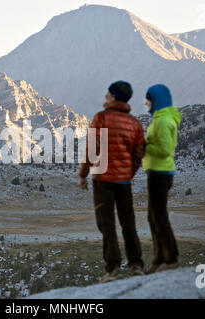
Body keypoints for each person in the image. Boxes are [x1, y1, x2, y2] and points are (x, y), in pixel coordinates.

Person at [78, 81, 145, 282]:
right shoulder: (134, 123)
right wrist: (128, 173)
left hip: (103, 180)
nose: (106, 96)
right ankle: (136, 265)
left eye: (108, 93)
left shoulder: (101, 118)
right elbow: (138, 154)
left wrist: (83, 174)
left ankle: (113, 268)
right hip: (124, 181)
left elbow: (92, 148)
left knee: (106, 224)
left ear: (114, 96)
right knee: (128, 222)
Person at [143, 84, 182, 274]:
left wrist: (145, 147)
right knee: (153, 217)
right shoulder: (159, 119)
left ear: (156, 100)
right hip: (156, 172)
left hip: (161, 173)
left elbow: (166, 150)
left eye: (148, 99)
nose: (146, 103)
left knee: (159, 216)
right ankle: (158, 259)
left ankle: (170, 257)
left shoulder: (164, 120)